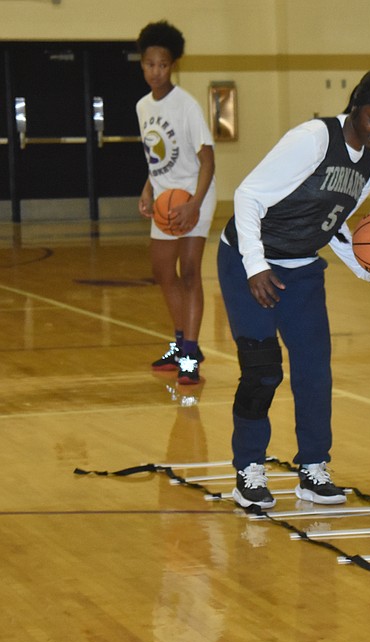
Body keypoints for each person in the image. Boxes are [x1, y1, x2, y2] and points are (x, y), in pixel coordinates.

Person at [217, 70, 370, 509]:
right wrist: (255, 266)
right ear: (356, 106)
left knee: (315, 372)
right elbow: (247, 197)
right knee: (262, 371)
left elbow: (333, 225)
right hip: (249, 262)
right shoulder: (313, 139)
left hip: (301, 271)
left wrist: (367, 270)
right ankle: (248, 469)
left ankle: (313, 470)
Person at [136, 20, 216, 385]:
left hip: (193, 195)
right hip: (165, 197)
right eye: (150, 64)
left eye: (163, 65)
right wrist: (148, 189)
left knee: (189, 272)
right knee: (163, 273)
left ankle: (190, 360)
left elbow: (208, 159)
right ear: (142, 65)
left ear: (173, 66)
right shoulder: (142, 107)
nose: (156, 71)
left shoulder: (187, 106)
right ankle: (182, 342)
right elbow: (157, 158)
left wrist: (195, 204)